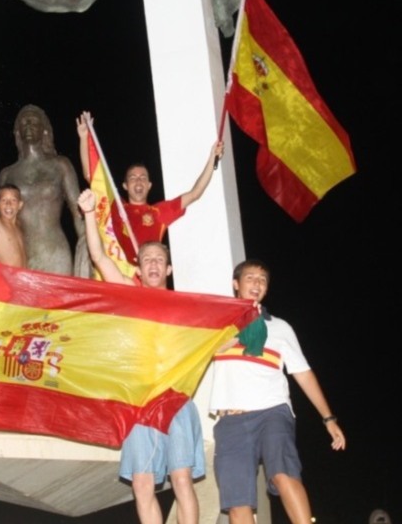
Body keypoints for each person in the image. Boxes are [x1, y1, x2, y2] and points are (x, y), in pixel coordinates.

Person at [77, 189, 204, 524]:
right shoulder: (130, 296)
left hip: (174, 399)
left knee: (181, 479)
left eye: (159, 260)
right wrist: (89, 213)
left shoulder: (187, 306)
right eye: (147, 259)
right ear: (139, 266)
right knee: (143, 484)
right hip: (139, 400)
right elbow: (100, 258)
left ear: (169, 268)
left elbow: (215, 338)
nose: (152, 264)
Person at [209, 259, 346, 524]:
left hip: (273, 410)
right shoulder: (217, 323)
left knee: (284, 473)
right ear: (236, 284)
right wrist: (239, 328)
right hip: (231, 418)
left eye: (262, 280)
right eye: (250, 278)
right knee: (237, 502)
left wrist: (329, 418)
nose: (257, 283)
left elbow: (303, 373)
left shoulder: (281, 328)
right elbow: (197, 350)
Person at [76, 110, 224, 263]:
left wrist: (212, 157)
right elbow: (91, 175)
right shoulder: (116, 206)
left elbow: (195, 193)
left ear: (149, 185)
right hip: (120, 277)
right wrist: (83, 138)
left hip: (148, 278)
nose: (138, 181)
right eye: (133, 178)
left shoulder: (159, 212)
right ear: (125, 186)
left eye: (143, 178)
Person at [0, 104, 88, 276]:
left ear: (44, 130)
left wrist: (88, 244)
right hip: (20, 253)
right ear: (17, 131)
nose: (28, 125)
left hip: (55, 251)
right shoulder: (8, 174)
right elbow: (0, 223)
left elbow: (78, 213)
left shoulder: (60, 165)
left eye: (33, 121)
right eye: (23, 122)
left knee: (58, 302)